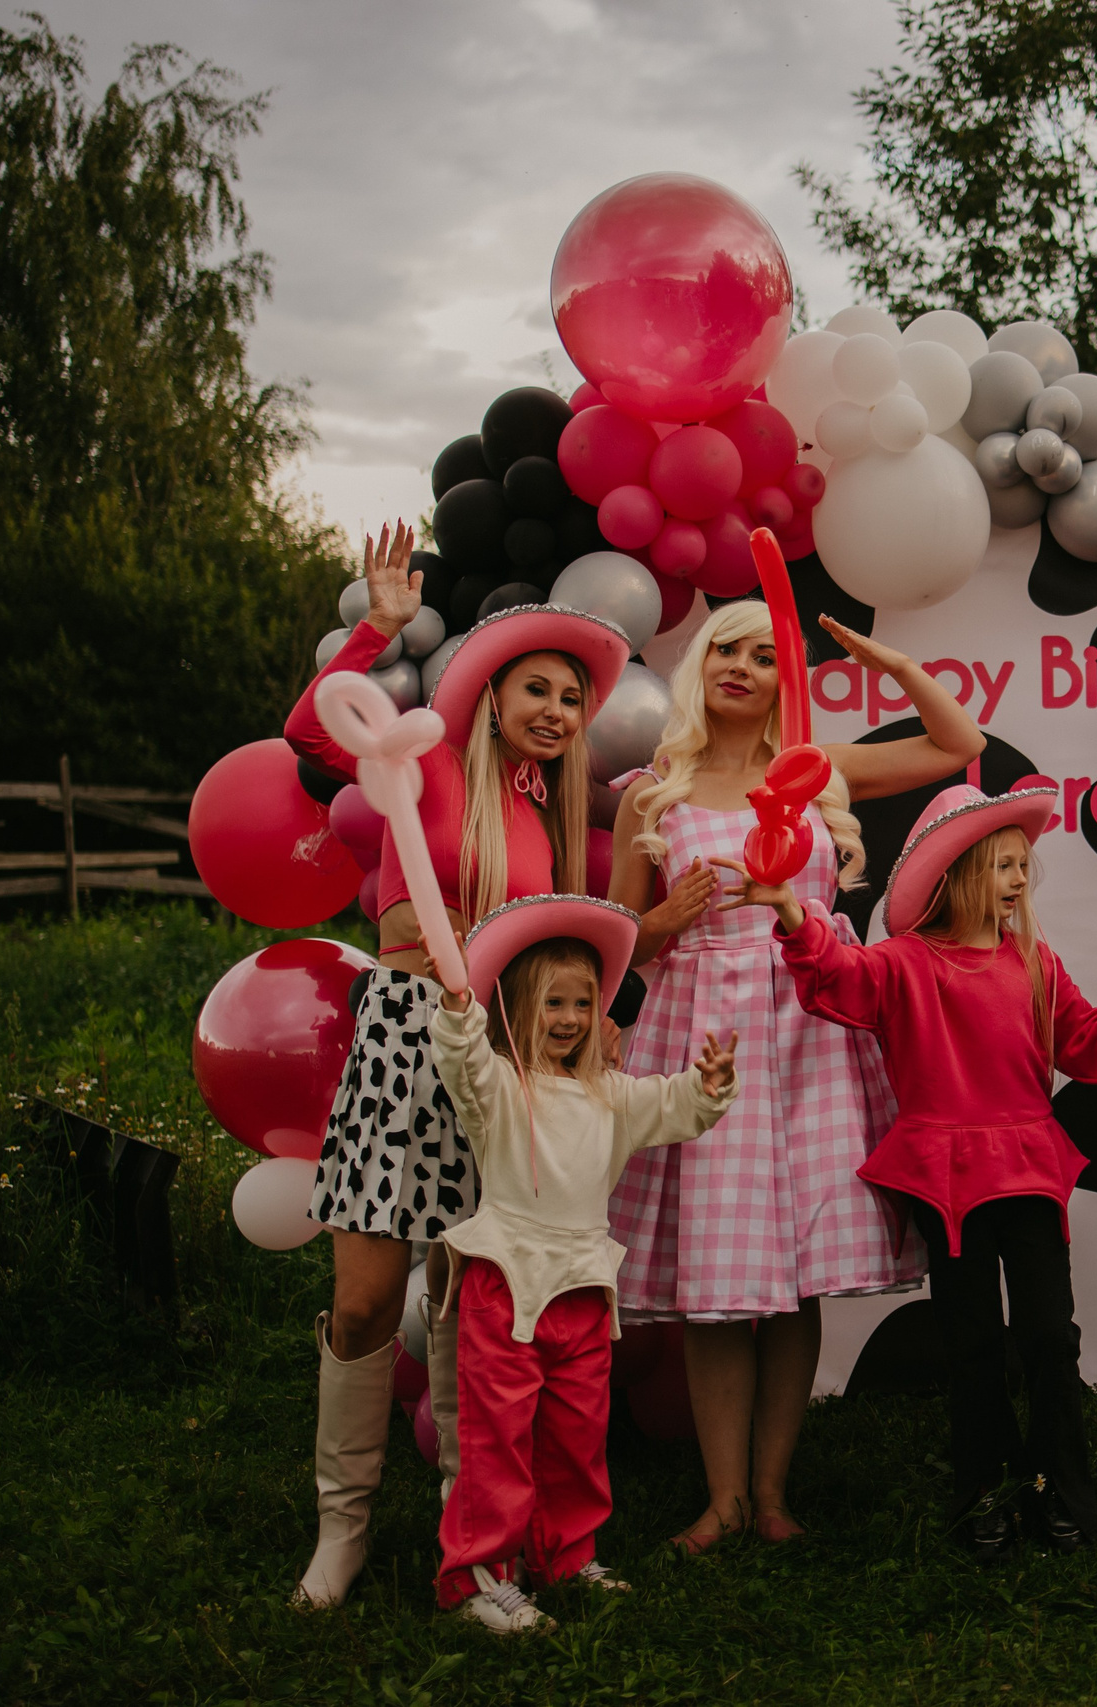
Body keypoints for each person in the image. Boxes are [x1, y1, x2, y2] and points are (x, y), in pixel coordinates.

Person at [278, 522, 635, 1609]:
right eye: (537, 690)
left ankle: (464, 1527)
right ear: (493, 693)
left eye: (571, 701)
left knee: (470, 1294)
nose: (556, 714)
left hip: (504, 1053)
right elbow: (310, 729)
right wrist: (379, 627)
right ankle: (341, 1530)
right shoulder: (425, 755)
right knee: (366, 1299)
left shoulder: (548, 807)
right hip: (400, 1037)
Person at [606, 598, 987, 1551]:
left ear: (789, 680)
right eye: (724, 649)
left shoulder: (811, 770)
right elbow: (613, 943)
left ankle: (771, 1495)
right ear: (700, 666)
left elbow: (957, 742)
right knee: (712, 1276)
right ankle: (720, 1499)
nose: (740, 665)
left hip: (808, 1023)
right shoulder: (654, 791)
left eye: (764, 655)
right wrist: (668, 918)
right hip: (700, 1034)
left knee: (794, 1274)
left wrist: (887, 660)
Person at [735, 785, 1097, 1557]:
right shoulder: (906, 963)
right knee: (974, 1341)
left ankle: (1060, 1489)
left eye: (1024, 864)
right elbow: (838, 977)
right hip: (946, 1181)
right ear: (956, 877)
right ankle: (981, 1492)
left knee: (1051, 1337)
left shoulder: (1034, 959)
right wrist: (788, 909)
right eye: (1002, 865)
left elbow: (1090, 1043)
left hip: (1028, 1170)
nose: (1019, 879)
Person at [427, 896, 738, 1635]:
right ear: (520, 1008)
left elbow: (674, 1107)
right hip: (506, 1287)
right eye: (551, 1003)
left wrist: (709, 1085)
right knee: (494, 1440)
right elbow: (462, 1058)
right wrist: (460, 1009)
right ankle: (479, 1577)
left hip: (583, 1294)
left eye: (581, 1002)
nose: (567, 1018)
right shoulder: (502, 1091)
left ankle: (564, 1556)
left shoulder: (610, 1096)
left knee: (575, 1437)